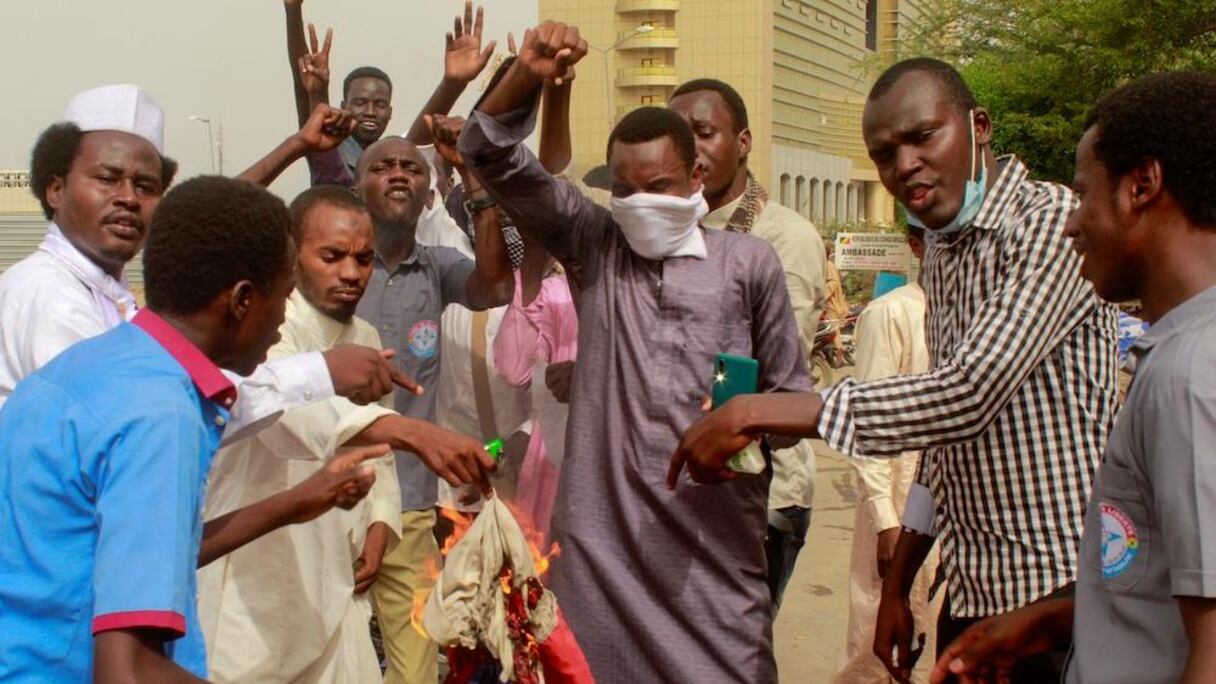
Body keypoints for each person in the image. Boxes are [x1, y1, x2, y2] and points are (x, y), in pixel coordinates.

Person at [669, 58, 1120, 684]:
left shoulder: (1048, 224)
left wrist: (762, 409)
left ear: (979, 126)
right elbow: (945, 436)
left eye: (922, 137)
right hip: (975, 589)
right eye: (884, 154)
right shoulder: (944, 245)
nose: (905, 164)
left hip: (1059, 594)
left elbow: (968, 393)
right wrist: (898, 583)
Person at [458, 22, 811, 682]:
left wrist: (741, 423)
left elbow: (795, 402)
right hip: (602, 551)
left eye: (660, 186)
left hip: (710, 553)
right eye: (624, 190)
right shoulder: (596, 246)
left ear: (696, 176)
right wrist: (528, 73)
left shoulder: (748, 263)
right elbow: (488, 152)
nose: (640, 204)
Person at [0, 176, 389, 682]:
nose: (280, 323)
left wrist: (294, 503)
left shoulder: (93, 366)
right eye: (283, 298)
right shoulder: (161, 415)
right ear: (242, 300)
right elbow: (129, 669)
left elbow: (134, 556)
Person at [931, 71, 1216, 684]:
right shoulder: (1179, 354)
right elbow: (1167, 588)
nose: (1071, 223)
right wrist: (1063, 618)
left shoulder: (1190, 377)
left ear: (1141, 187)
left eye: (1084, 196)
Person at [198, 186, 497, 683]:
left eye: (362, 258)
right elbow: (289, 414)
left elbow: (378, 456)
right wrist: (412, 431)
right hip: (258, 577)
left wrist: (380, 523)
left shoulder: (366, 338)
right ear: (293, 255)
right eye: (332, 256)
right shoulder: (268, 329)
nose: (351, 273)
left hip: (337, 579)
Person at [0, 85, 410, 425]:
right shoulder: (49, 297)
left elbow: (210, 220)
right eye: (107, 179)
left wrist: (298, 145)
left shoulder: (111, 294)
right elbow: (147, 414)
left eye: (145, 186)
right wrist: (321, 372)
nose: (127, 198)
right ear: (55, 188)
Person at [354, 123, 514, 684]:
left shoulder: (439, 266)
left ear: (428, 190)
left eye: (412, 167)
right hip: (329, 497)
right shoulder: (331, 266)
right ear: (356, 186)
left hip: (409, 502)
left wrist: (474, 179)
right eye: (381, 166)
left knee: (416, 666)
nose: (398, 174)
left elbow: (495, 289)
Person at [668, 77, 826, 609]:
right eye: (678, 136)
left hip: (764, 493)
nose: (690, 149)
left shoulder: (782, 238)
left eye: (704, 133)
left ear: (743, 142)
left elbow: (780, 371)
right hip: (683, 485)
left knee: (731, 643)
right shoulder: (671, 235)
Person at [830, 225, 942, 684]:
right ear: (917, 247)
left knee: (935, 645)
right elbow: (869, 424)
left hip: (949, 511)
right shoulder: (892, 312)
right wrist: (884, 520)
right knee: (876, 649)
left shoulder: (976, 312)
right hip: (896, 505)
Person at [492, 227, 579, 542]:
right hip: (551, 466)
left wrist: (585, 377)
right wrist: (533, 257)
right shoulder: (556, 294)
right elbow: (513, 369)